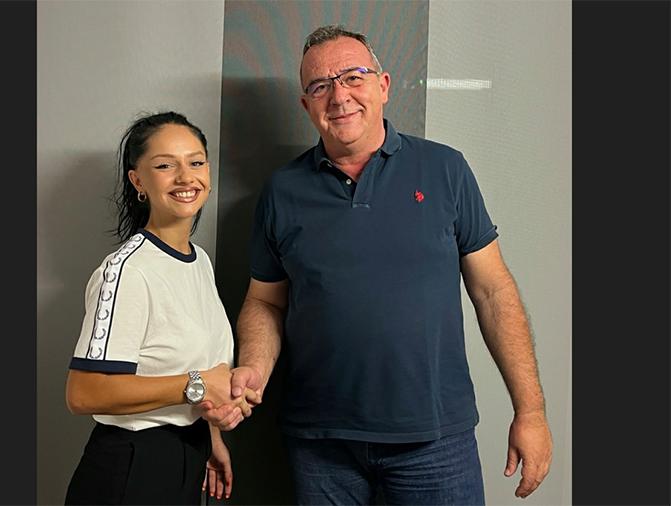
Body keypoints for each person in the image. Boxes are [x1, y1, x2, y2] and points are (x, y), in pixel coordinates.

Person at [214, 24, 553, 505]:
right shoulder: (281, 192)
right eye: (320, 86)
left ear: (384, 85)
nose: (339, 97)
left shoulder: (445, 170)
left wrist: (531, 411)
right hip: (320, 446)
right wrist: (253, 366)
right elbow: (266, 302)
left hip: (435, 442)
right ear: (307, 105)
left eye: (353, 77)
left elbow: (493, 292)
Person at [63, 110, 259, 506]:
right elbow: (83, 393)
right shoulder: (128, 271)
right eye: (166, 165)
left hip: (186, 457)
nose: (186, 177)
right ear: (138, 180)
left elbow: (192, 366)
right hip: (132, 468)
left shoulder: (199, 261)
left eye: (196, 162)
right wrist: (199, 384)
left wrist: (211, 435)